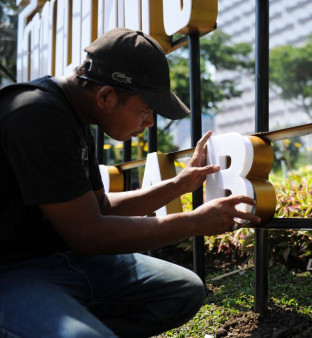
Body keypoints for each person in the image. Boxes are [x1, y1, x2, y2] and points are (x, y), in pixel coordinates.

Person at [0, 27, 260, 337]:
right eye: (146, 110)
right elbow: (90, 235)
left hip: (66, 260)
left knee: (183, 290)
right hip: (13, 272)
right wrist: (194, 222)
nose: (150, 122)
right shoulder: (34, 114)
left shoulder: (74, 116)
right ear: (106, 97)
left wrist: (178, 184)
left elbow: (100, 208)